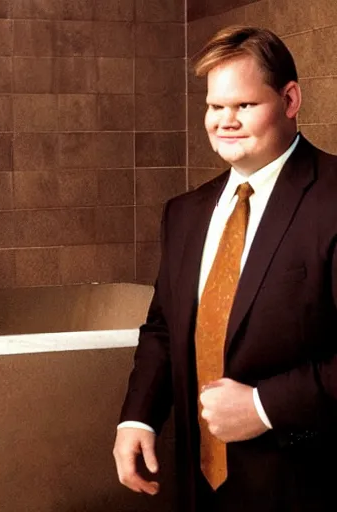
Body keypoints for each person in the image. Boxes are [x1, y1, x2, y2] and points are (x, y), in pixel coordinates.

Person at [113, 25, 337, 512]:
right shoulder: (184, 213)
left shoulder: (334, 199)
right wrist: (138, 419)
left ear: (290, 99)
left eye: (245, 106)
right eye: (216, 107)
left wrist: (264, 407)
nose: (225, 121)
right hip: (199, 487)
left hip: (307, 485)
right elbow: (163, 329)